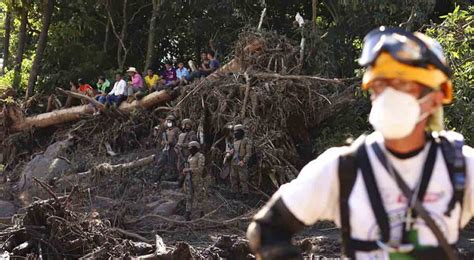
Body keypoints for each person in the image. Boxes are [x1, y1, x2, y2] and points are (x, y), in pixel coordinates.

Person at [246, 27, 474, 260]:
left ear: (434, 98)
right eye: (379, 86)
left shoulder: (462, 167)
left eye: (402, 85)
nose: (388, 95)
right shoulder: (342, 168)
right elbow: (266, 231)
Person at [225, 124, 252, 196]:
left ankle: (245, 194)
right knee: (233, 178)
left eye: (237, 132)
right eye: (235, 132)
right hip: (233, 162)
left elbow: (249, 153)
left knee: (243, 179)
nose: (235, 133)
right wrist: (229, 153)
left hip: (241, 162)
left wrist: (243, 161)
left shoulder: (246, 141)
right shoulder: (233, 141)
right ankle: (234, 192)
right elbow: (229, 150)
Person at [182, 141, 206, 221]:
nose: (189, 150)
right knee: (189, 197)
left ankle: (201, 213)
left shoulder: (200, 156)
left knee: (199, 197)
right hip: (189, 179)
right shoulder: (189, 157)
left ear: (195, 148)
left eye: (191, 148)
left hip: (197, 179)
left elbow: (200, 169)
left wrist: (189, 169)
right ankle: (187, 213)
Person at [157, 114, 182, 180]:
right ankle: (158, 177)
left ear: (173, 122)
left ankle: (174, 177)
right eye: (168, 121)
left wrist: (172, 142)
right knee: (161, 161)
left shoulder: (177, 130)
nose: (169, 123)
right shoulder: (166, 131)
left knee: (172, 163)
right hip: (166, 148)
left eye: (170, 121)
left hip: (174, 148)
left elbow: (180, 140)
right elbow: (162, 140)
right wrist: (163, 142)